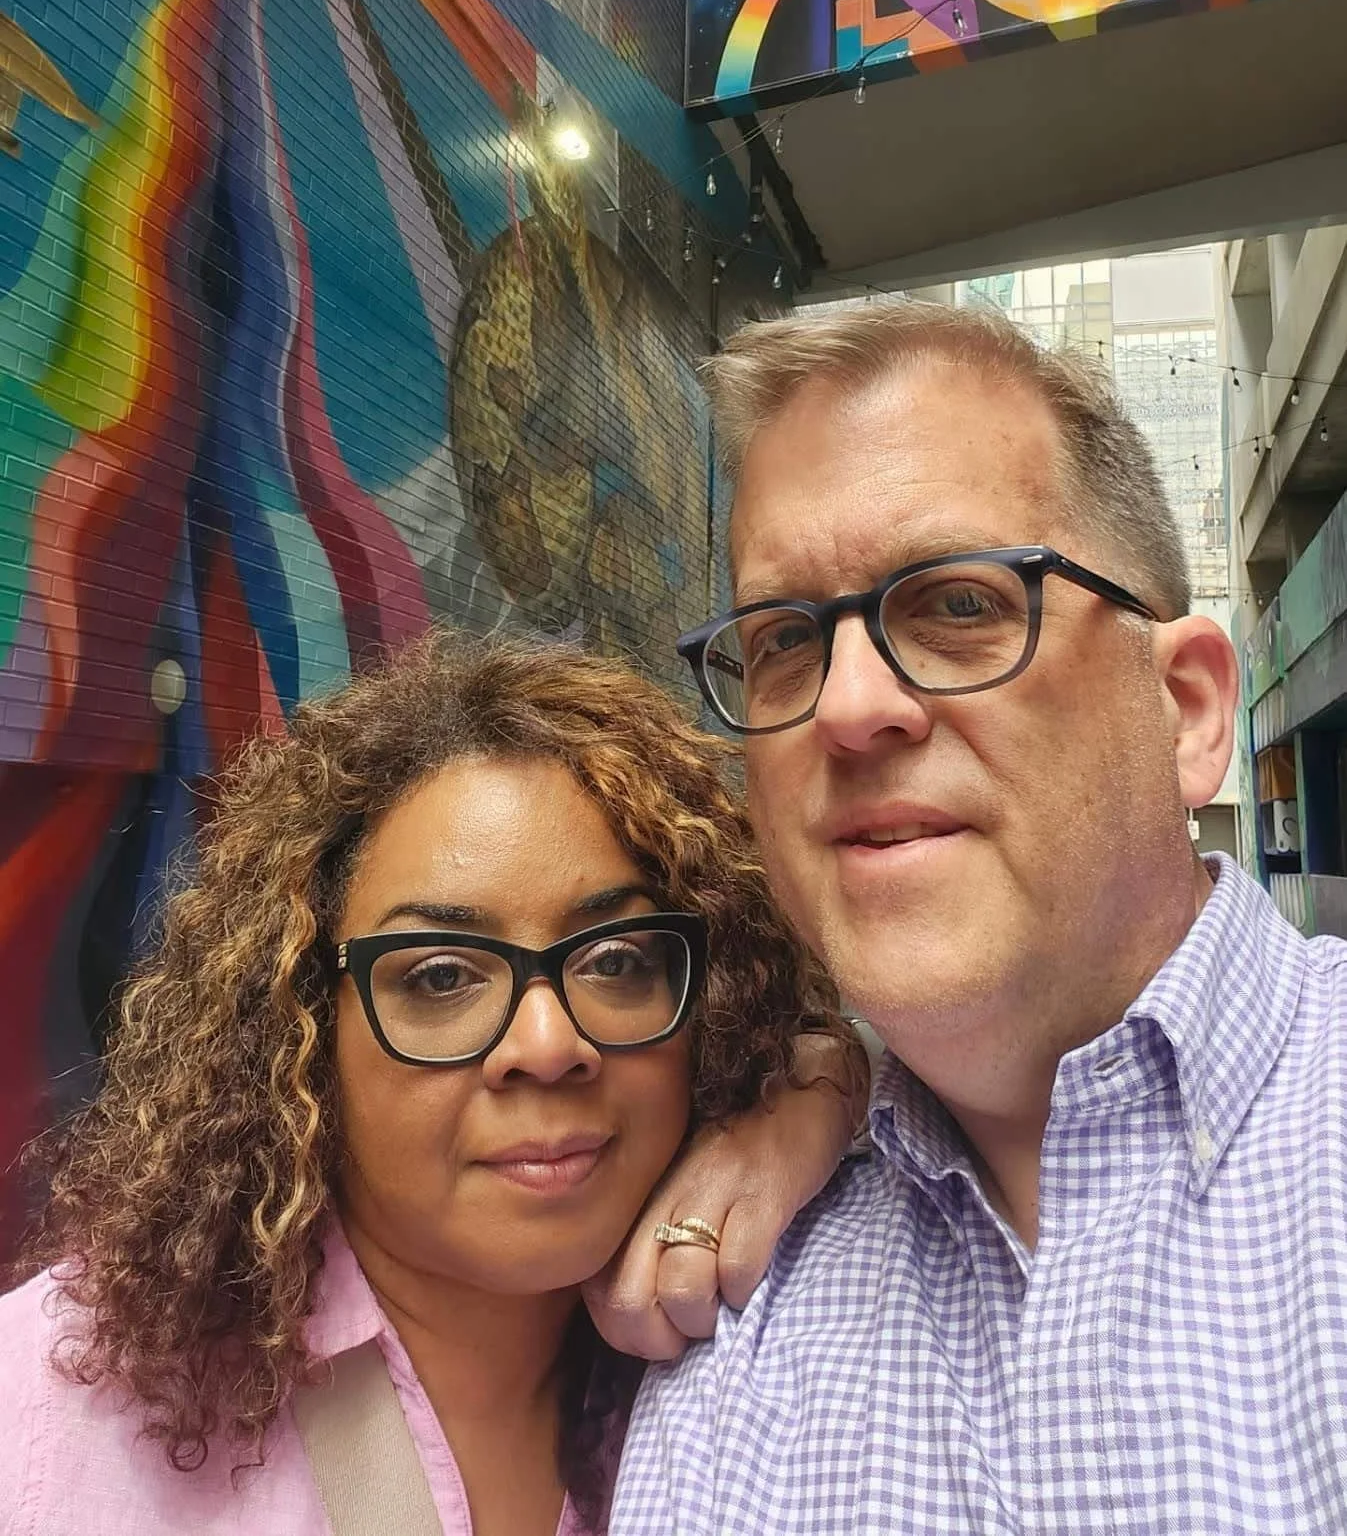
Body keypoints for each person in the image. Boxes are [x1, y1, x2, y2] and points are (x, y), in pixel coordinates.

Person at [610, 299, 1347, 1533]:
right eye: (785, 639)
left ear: (1189, 710)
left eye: (959, 605)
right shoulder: (735, 1311)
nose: (848, 706)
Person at [0, 630, 863, 1536]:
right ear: (296, 1025)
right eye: (440, 976)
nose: (547, 1043)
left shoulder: (782, 1356)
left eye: (614, 960)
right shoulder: (46, 1418)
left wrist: (824, 1086)